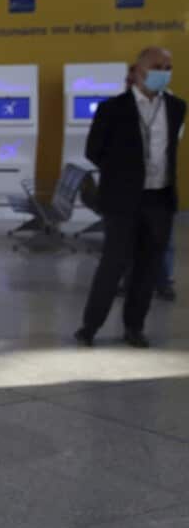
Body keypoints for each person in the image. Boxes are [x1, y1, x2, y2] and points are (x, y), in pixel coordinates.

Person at [76, 47, 183, 348]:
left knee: (148, 268)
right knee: (114, 264)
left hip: (159, 200)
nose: (163, 71)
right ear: (137, 72)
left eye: (168, 66)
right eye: (156, 67)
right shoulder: (113, 109)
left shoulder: (176, 108)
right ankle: (90, 325)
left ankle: (134, 327)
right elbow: (93, 150)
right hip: (122, 201)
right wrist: (124, 172)